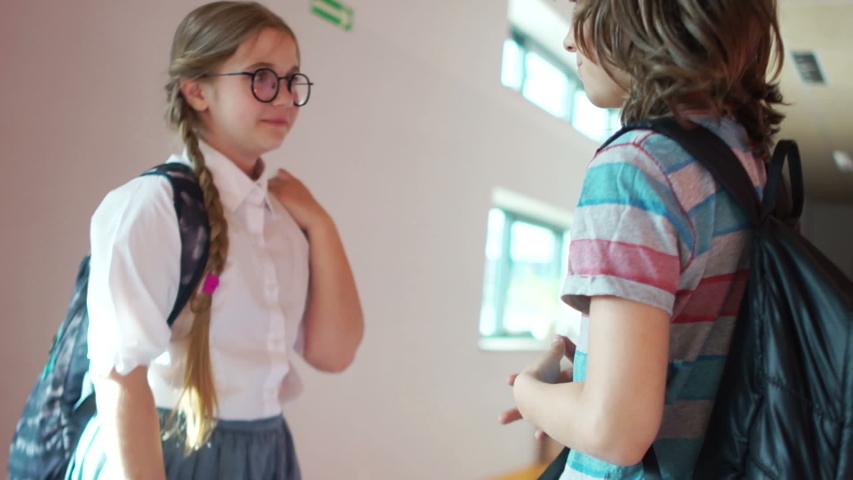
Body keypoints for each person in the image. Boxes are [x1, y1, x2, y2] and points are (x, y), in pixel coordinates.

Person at [64, 2, 364, 479]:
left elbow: (335, 353)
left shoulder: (285, 220)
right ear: (197, 90)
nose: (284, 97)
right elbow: (119, 377)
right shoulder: (152, 206)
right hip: (163, 451)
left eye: (292, 80)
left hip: (266, 453)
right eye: (262, 78)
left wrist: (322, 226)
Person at [499, 0, 785, 478]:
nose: (570, 39)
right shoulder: (744, 164)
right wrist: (596, 380)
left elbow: (614, 432)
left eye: (582, 9)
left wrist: (529, 391)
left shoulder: (635, 168)